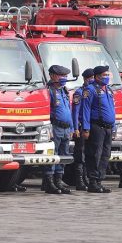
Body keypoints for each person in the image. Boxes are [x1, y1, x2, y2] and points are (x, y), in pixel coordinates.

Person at [81, 65, 115, 193]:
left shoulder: (108, 90)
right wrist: (85, 128)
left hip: (108, 127)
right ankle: (93, 181)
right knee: (95, 154)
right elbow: (85, 109)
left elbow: (112, 109)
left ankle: (99, 180)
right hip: (96, 127)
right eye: (103, 75)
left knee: (106, 155)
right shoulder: (90, 90)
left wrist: (114, 126)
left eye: (107, 75)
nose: (106, 77)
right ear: (96, 76)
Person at [44, 65, 72, 195]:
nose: (64, 78)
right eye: (62, 76)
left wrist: (71, 127)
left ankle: (58, 180)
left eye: (66, 76)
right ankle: (49, 181)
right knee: (52, 155)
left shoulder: (64, 91)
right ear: (53, 76)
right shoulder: (49, 91)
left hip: (66, 128)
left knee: (63, 155)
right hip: (55, 127)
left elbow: (68, 110)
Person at [71, 68, 95, 191]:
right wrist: (75, 128)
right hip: (80, 127)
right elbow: (75, 113)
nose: (92, 80)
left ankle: (86, 178)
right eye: (90, 78)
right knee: (80, 154)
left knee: (88, 154)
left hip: (89, 127)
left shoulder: (91, 92)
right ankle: (79, 180)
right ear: (85, 79)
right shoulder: (79, 93)